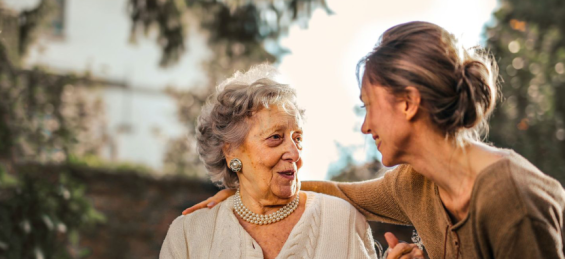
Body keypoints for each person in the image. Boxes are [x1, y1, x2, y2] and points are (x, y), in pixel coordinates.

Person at [183, 21, 565, 259]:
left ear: (408, 103)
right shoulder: (414, 184)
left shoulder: (510, 199)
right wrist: (248, 189)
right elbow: (341, 193)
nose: (365, 127)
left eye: (368, 106)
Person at [159, 64, 391, 259]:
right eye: (275, 137)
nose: (295, 153)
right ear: (230, 152)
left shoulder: (342, 220)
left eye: (297, 138)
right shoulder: (188, 235)